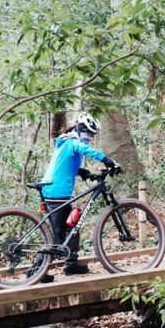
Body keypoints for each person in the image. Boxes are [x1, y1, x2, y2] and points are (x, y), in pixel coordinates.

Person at [33, 113, 122, 283]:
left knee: (73, 227)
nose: (89, 138)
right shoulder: (72, 142)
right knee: (56, 236)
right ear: (79, 129)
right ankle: (35, 272)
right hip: (55, 193)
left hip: (60, 193)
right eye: (88, 134)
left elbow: (65, 164)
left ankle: (71, 264)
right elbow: (84, 149)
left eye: (92, 136)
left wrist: (83, 172)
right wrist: (108, 161)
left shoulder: (67, 142)